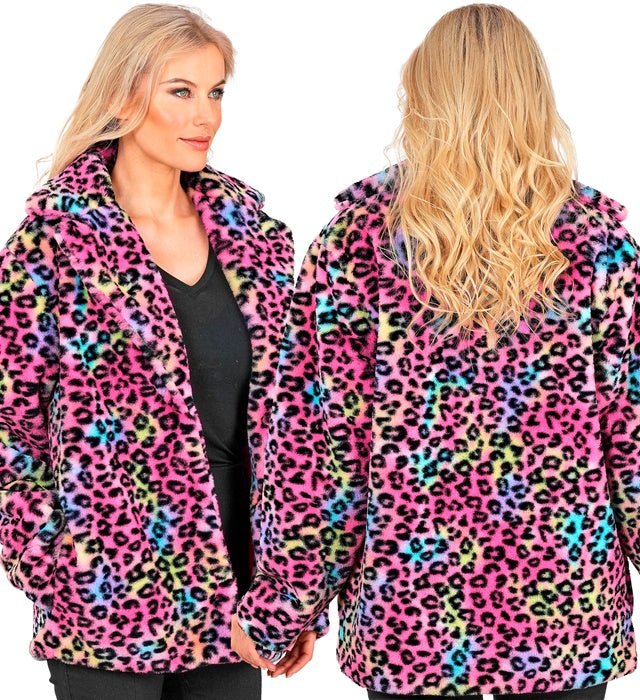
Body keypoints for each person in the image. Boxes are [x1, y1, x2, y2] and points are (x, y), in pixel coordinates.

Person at [232, 4, 635, 700]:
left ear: (422, 94)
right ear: (534, 97)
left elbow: (316, 455)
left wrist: (281, 608)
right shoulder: (598, 247)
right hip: (563, 617)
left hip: (410, 620)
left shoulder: (355, 246)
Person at [0, 4, 327, 699]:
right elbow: (8, 424)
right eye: (181, 91)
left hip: (239, 598)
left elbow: (300, 424)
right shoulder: (54, 242)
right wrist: (52, 562)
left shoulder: (256, 237)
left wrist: (293, 595)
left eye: (215, 92)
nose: (205, 116)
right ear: (124, 96)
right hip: (106, 601)